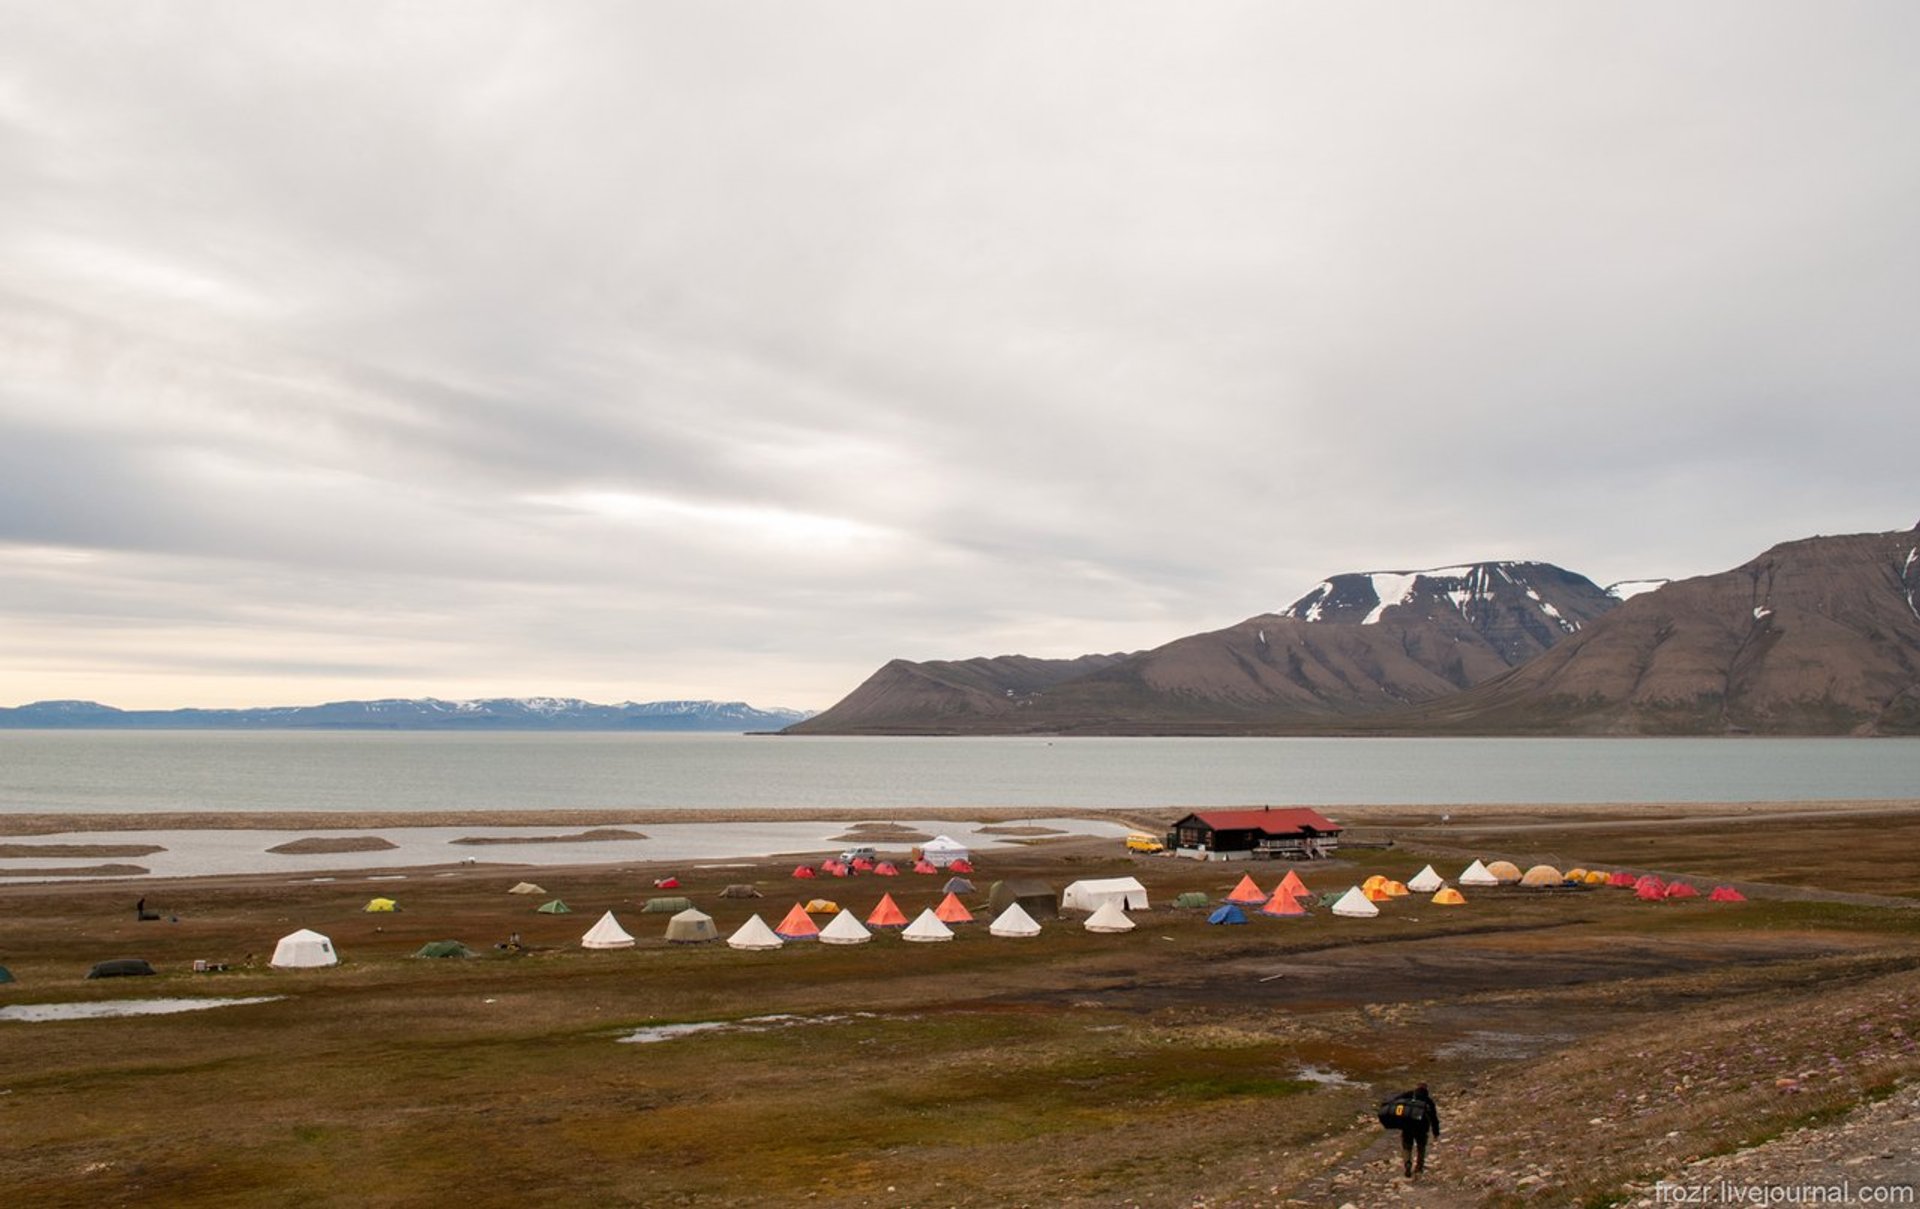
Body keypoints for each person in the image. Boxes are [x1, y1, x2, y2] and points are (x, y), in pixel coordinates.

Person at [1387, 1083, 1440, 1177]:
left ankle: (1407, 1163)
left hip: (1407, 1125)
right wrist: (1436, 1132)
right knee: (1421, 1147)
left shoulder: (1408, 1095)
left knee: (1407, 1146)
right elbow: (1434, 1118)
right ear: (1426, 1090)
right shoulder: (1428, 1100)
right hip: (1422, 1127)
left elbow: (1394, 1102)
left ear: (1416, 1088)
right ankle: (1419, 1168)